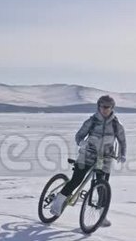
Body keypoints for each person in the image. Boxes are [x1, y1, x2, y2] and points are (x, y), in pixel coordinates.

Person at [50, 95, 127, 227]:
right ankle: (58, 202)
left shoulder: (116, 125)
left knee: (102, 187)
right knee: (76, 180)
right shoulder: (91, 121)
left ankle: (102, 215)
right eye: (103, 106)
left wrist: (122, 154)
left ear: (112, 108)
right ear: (99, 106)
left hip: (105, 158)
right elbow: (79, 135)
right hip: (87, 155)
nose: (105, 109)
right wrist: (82, 143)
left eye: (108, 107)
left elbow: (122, 141)